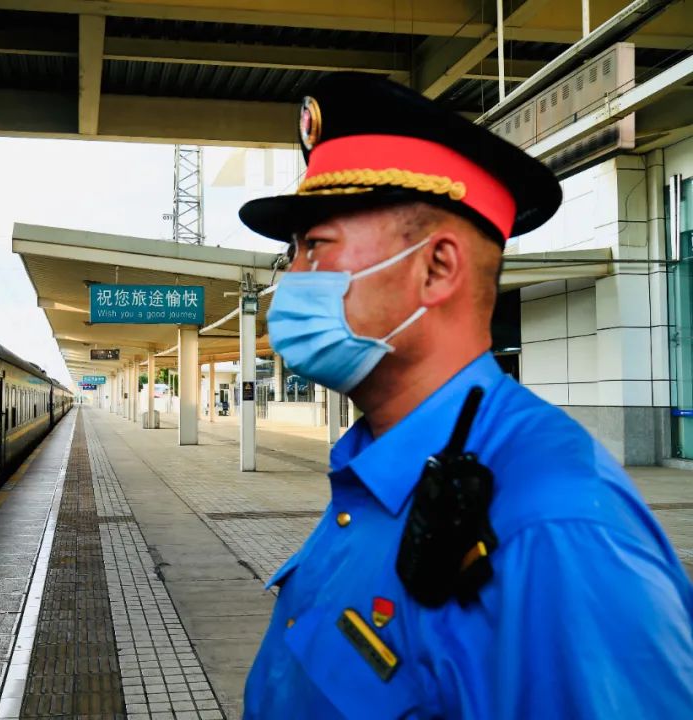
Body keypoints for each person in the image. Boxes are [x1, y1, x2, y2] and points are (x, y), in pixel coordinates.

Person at [238, 73, 693, 718]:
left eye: (315, 247)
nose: (292, 280)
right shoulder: (376, 469)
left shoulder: (554, 529)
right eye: (292, 255)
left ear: (437, 268)